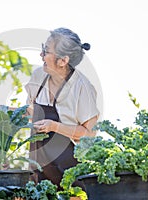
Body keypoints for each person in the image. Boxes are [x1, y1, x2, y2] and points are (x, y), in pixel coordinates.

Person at [25, 27, 99, 190]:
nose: (41, 55)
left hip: (72, 174)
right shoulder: (38, 76)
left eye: (46, 51)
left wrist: (54, 126)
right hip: (39, 171)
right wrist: (4, 111)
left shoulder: (82, 88)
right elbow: (31, 112)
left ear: (63, 61)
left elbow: (89, 133)